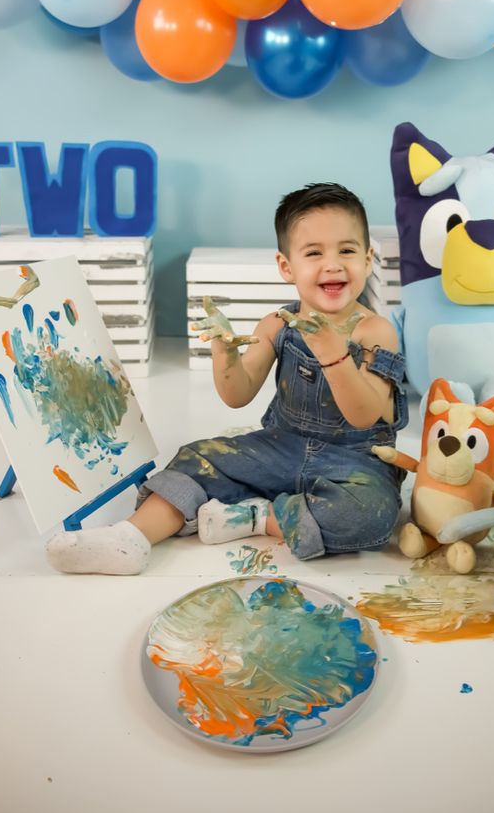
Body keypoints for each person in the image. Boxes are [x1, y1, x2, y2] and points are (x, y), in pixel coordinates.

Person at [46, 182, 408, 574]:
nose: (333, 264)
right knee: (196, 458)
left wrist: (333, 353)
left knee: (372, 514)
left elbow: (364, 415)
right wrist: (224, 350)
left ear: (368, 260)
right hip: (282, 446)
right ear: (287, 266)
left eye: (347, 251)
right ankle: (129, 539)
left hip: (353, 461)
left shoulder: (375, 332)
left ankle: (252, 518)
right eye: (314, 253)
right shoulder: (275, 324)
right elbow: (237, 394)